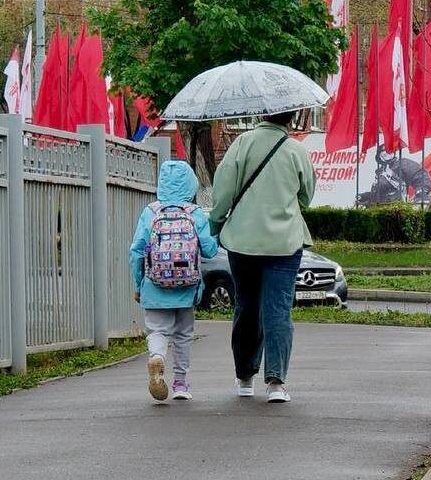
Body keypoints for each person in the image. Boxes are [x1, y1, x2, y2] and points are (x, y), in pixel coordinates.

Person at [208, 111, 316, 404]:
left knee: (246, 305)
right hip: (285, 244)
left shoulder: (241, 144)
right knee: (278, 310)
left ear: (262, 114)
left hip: (242, 242)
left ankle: (244, 377)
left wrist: (216, 226)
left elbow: (222, 195)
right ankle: (276, 383)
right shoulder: (296, 151)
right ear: (291, 118)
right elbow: (307, 197)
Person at [130, 160, 218, 402]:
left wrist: (138, 285)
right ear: (190, 185)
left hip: (154, 285)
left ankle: (157, 357)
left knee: (158, 331)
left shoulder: (150, 212)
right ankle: (180, 384)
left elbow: (136, 252)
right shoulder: (194, 213)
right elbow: (210, 251)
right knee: (183, 335)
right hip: (187, 287)